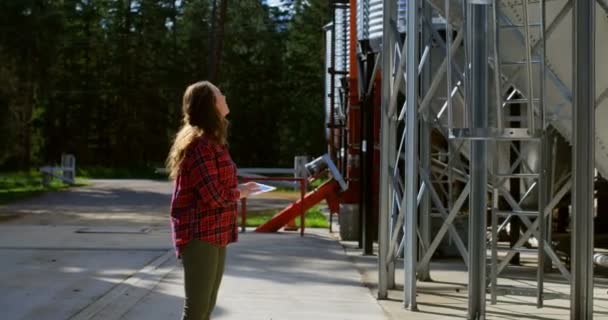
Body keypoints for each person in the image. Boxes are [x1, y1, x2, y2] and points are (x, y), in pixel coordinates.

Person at [166, 81, 259, 320]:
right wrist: (241, 192)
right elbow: (214, 195)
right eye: (220, 94)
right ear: (211, 105)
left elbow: (218, 189)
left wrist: (240, 189)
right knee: (196, 310)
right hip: (200, 233)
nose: (225, 96)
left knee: (206, 308)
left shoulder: (214, 142)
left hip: (216, 231)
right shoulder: (199, 146)